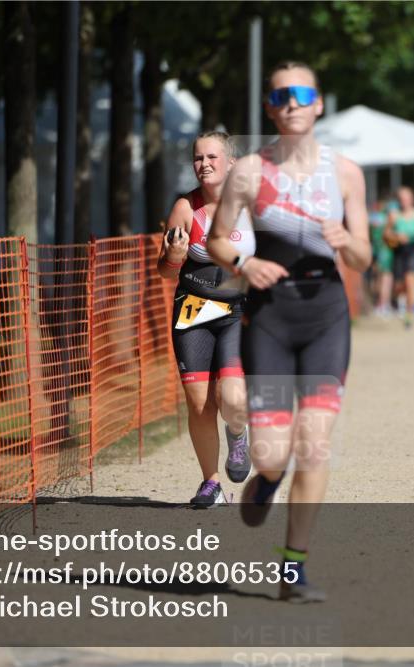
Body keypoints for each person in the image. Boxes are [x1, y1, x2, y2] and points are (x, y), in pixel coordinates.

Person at [207, 60, 371, 602]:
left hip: (325, 315)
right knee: (273, 453)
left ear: (319, 103)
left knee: (315, 445)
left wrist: (345, 240)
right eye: (281, 96)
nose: (292, 103)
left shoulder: (345, 172)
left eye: (302, 93)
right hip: (271, 320)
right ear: (269, 108)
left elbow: (365, 259)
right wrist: (242, 265)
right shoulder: (249, 172)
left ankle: (293, 569)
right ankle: (268, 479)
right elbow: (217, 240)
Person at [158, 131, 254, 508]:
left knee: (230, 397)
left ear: (231, 163)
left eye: (213, 157)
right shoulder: (185, 208)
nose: (205, 165)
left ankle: (238, 433)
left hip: (237, 311)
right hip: (193, 311)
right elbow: (165, 272)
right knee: (199, 404)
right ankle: (210, 484)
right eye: (198, 158)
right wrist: (175, 256)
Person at [387, 186, 414, 327]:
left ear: (412, 199)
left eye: (407, 198)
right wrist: (396, 236)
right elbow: (386, 234)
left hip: (412, 251)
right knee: (398, 286)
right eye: (402, 199)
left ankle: (409, 316)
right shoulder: (394, 215)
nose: (405, 201)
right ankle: (396, 299)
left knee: (410, 284)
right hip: (398, 252)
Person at [368, 197, 395, 318]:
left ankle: (380, 303)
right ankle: (383, 304)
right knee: (385, 279)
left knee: (377, 278)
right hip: (384, 250)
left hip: (375, 249)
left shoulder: (372, 218)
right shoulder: (386, 218)